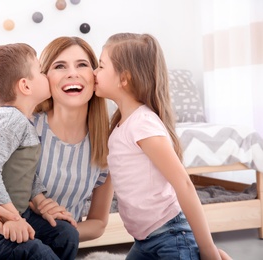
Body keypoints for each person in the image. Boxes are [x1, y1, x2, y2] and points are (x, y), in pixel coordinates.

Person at [0, 36, 114, 260]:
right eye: (59, 66)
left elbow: (98, 223)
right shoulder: (22, 123)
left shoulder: (108, 143)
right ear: (43, 78)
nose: (72, 73)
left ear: (94, 76)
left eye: (82, 64)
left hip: (30, 242)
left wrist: (51, 218)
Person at [93, 32, 231, 260]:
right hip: (145, 240)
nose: (94, 73)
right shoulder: (120, 123)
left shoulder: (143, 124)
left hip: (171, 237)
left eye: (100, 66)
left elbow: (184, 185)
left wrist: (207, 249)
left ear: (124, 78)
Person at [0, 43, 78, 260]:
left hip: (19, 212)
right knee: (37, 253)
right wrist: (13, 218)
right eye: (40, 71)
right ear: (25, 86)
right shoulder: (11, 121)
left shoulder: (21, 121)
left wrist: (40, 201)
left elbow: (23, 172)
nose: (45, 75)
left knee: (65, 234)